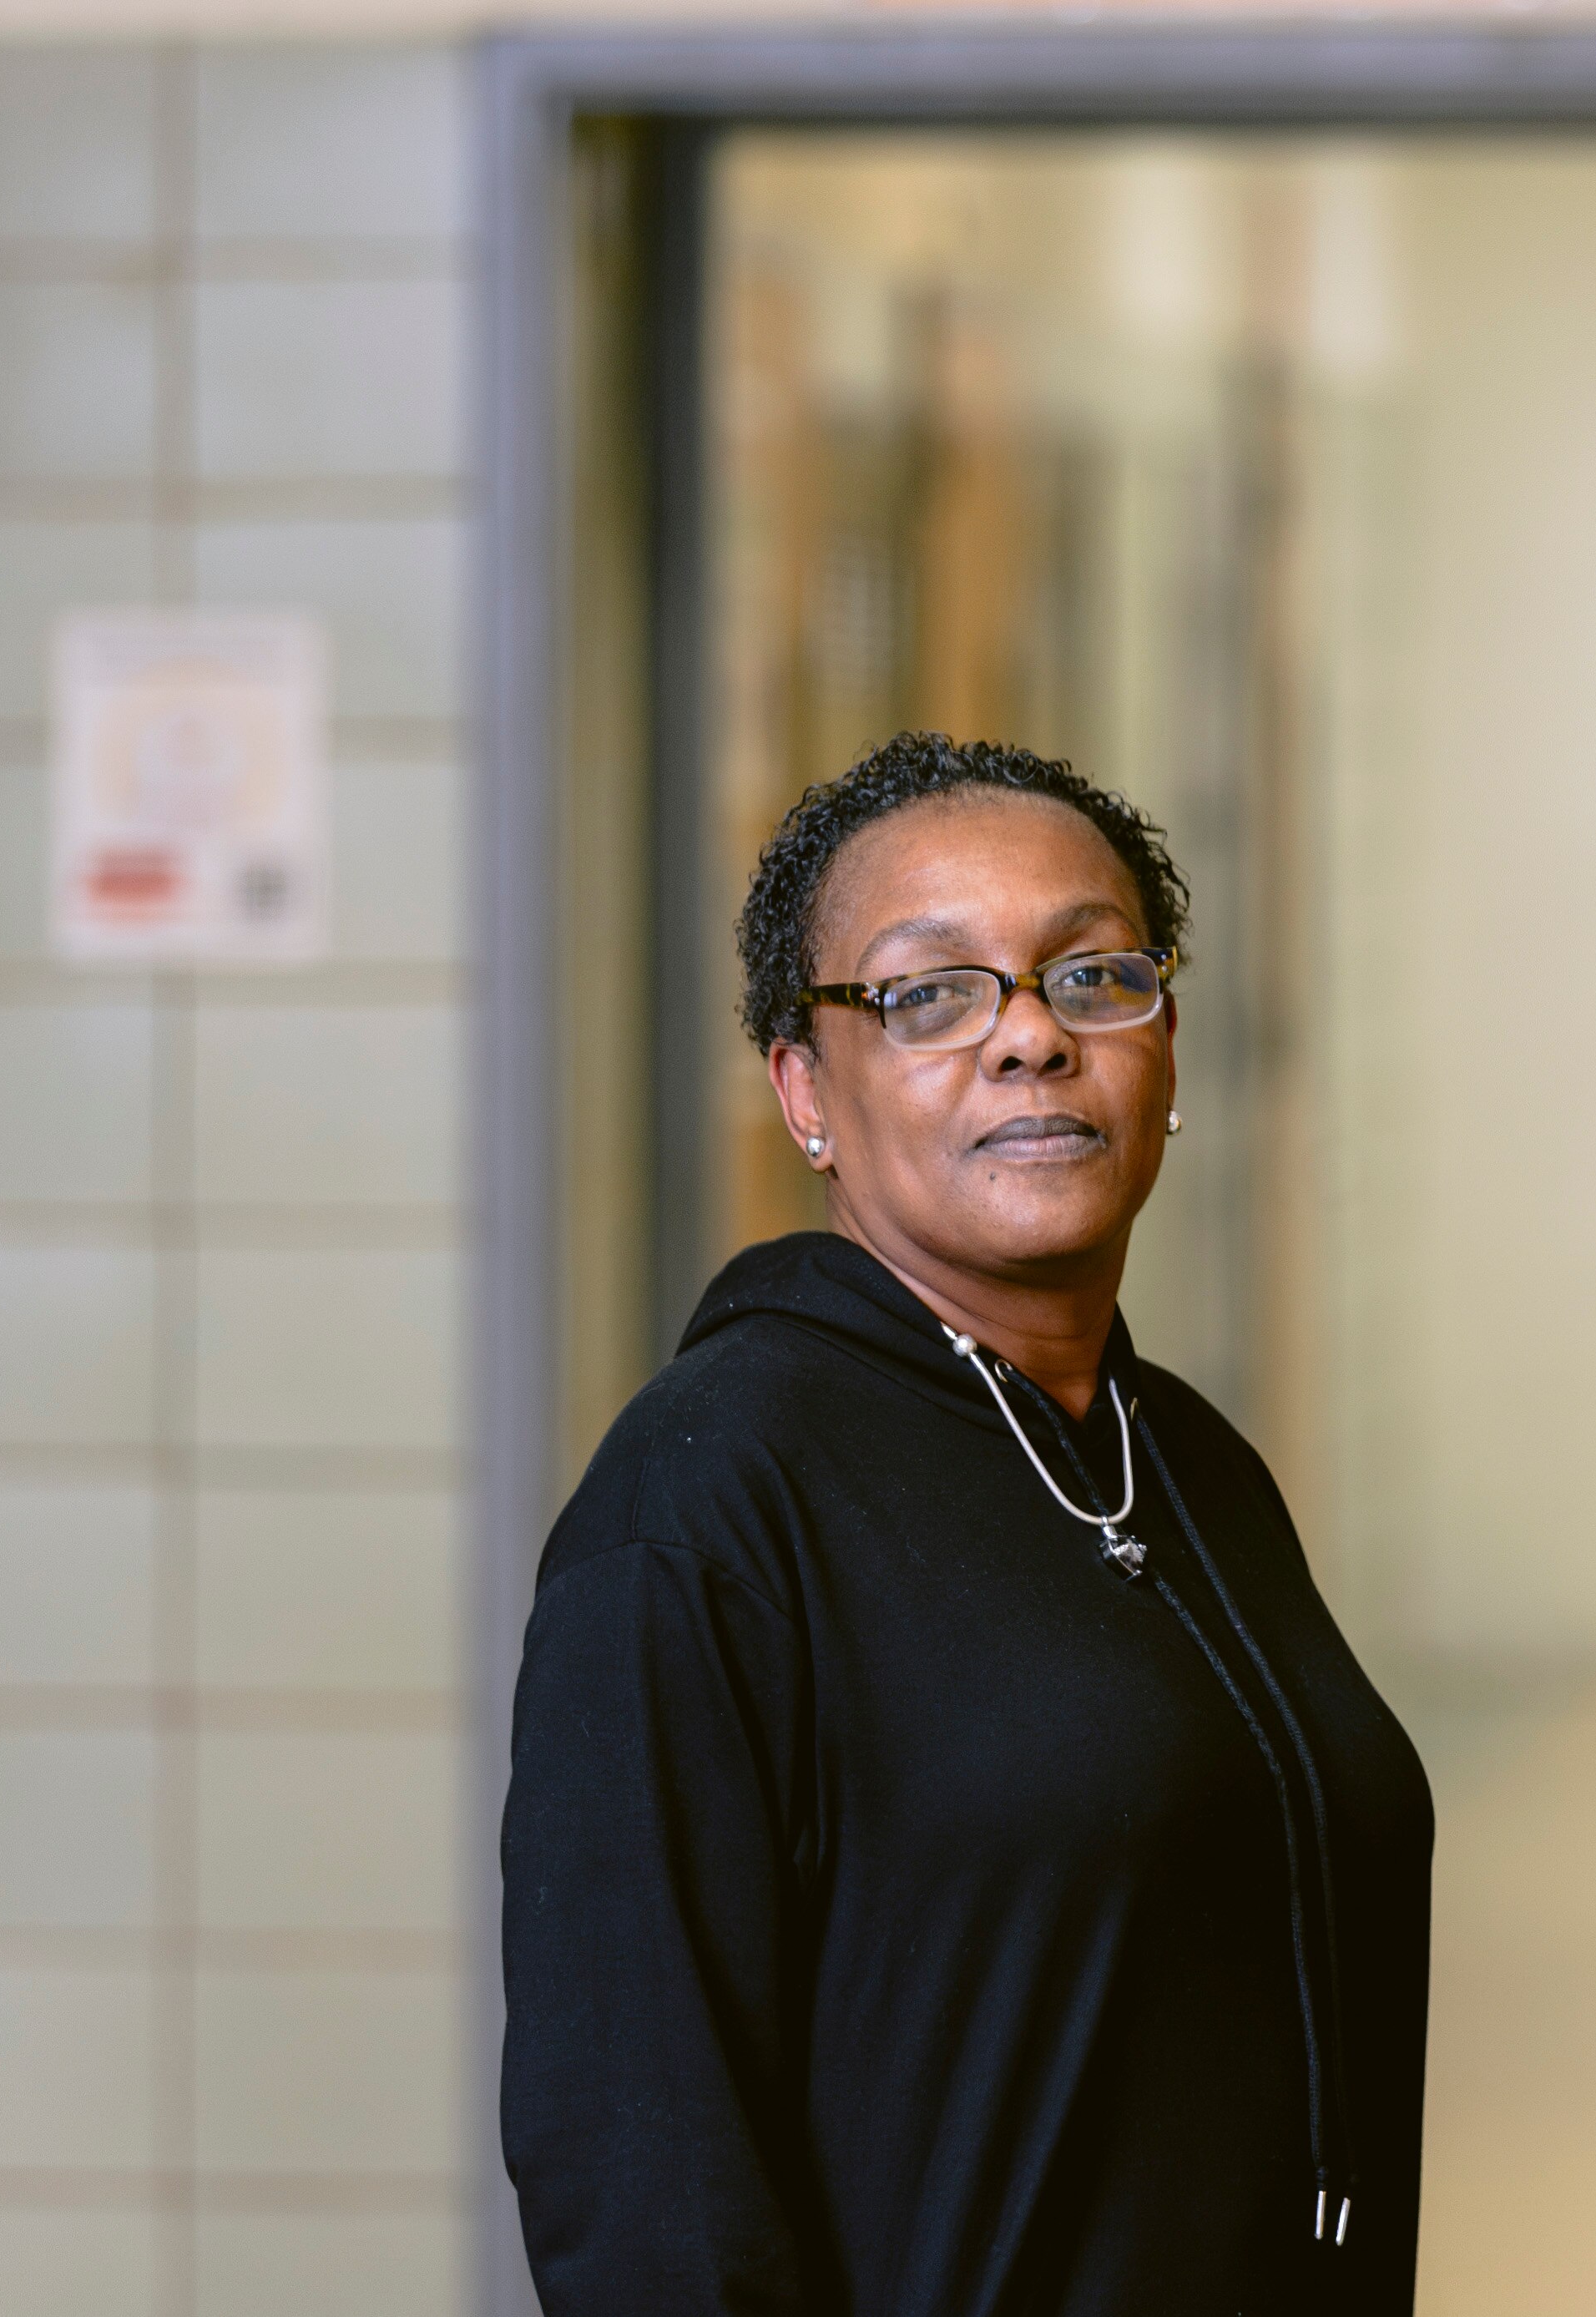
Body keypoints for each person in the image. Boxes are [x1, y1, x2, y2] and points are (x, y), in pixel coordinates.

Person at [503, 733, 1431, 2315]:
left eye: (1091, 977)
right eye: (929, 993)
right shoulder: (709, 1499)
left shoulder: (1186, 1465)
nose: (1028, 1042)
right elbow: (643, 2184)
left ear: (1167, 1046)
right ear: (806, 1088)